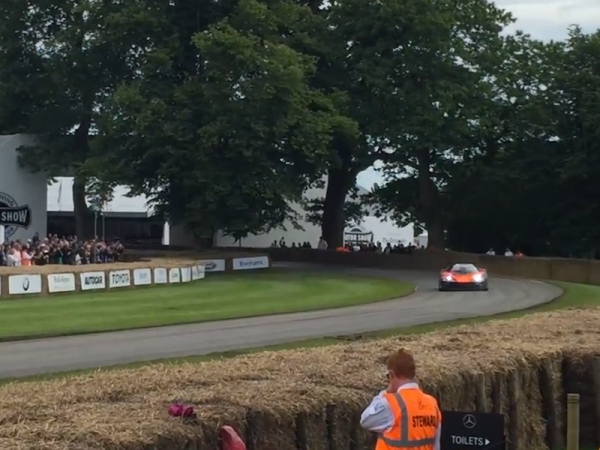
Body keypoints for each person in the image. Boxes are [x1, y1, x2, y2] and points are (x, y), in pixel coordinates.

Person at [360, 349, 441, 450]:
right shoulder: (432, 403)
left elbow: (365, 420)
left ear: (391, 374)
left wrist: (385, 393)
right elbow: (436, 445)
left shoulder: (391, 404)